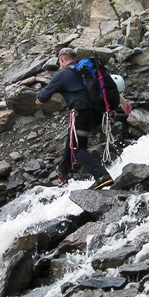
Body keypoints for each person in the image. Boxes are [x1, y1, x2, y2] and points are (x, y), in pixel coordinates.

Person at [35, 47, 115, 190]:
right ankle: (63, 173)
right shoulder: (86, 71)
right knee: (73, 140)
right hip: (97, 114)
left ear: (61, 60)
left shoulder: (62, 75)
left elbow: (42, 98)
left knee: (78, 149)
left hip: (81, 113)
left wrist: (37, 102)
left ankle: (102, 176)